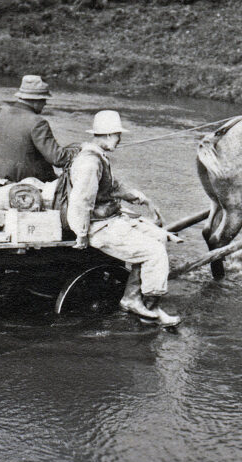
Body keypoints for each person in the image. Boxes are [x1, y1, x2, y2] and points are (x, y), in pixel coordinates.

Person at [61, 110, 180, 326]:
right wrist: (81, 234)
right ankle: (150, 306)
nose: (120, 140)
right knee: (154, 252)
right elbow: (82, 201)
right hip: (100, 227)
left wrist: (137, 197)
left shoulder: (98, 158)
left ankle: (134, 297)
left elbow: (112, 186)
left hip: (111, 219)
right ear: (107, 135)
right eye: (118, 135)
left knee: (160, 238)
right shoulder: (90, 163)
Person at [0, 75, 72, 183]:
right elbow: (57, 159)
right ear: (36, 100)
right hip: (25, 180)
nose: (45, 103)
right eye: (43, 99)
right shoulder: (37, 122)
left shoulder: (1, 116)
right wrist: (78, 151)